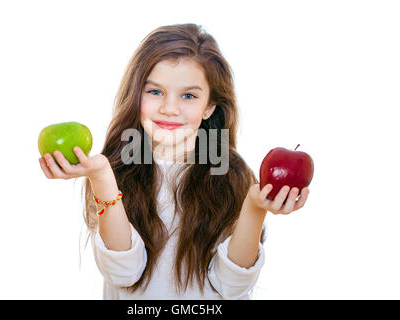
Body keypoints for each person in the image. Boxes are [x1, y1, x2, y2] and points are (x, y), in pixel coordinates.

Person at [38, 23, 310, 299]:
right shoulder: (114, 169)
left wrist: (254, 207)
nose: (169, 108)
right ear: (136, 95)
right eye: (155, 92)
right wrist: (102, 178)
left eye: (189, 96)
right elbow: (124, 273)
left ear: (209, 107)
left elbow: (231, 285)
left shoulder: (233, 175)